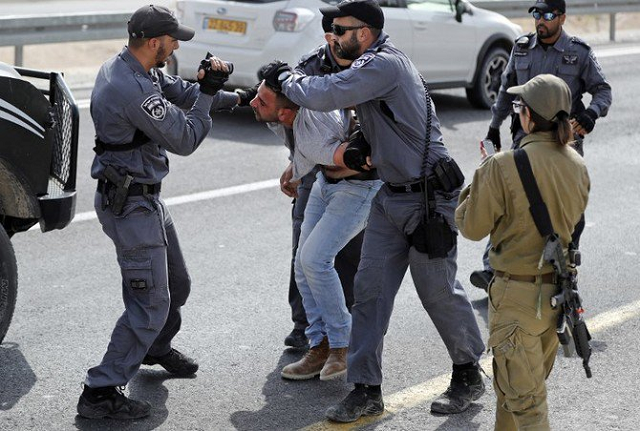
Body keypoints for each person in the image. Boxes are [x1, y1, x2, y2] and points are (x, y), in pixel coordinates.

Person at [261, 0, 485, 421]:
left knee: (436, 292)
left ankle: (468, 371)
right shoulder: (372, 62)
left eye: (341, 29)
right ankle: (365, 388)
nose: (333, 34)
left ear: (363, 32)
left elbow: (327, 92)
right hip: (389, 194)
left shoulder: (382, 64)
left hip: (426, 197)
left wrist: (285, 78)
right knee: (369, 292)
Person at [77, 5, 240, 420]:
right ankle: (100, 391)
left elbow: (182, 92)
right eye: (173, 40)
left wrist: (240, 96)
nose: (177, 45)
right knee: (150, 303)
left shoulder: (134, 66)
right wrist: (207, 95)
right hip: (131, 206)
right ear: (154, 42)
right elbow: (185, 137)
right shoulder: (131, 89)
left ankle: (154, 347)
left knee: (177, 286)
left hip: (144, 200)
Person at [456, 74, 590, 430]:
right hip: (554, 298)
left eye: (519, 107)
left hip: (516, 299)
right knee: (512, 395)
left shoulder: (502, 165)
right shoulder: (577, 165)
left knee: (527, 406)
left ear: (528, 116)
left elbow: (470, 227)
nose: (517, 113)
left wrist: (481, 174)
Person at [470, 0, 611, 291]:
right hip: (526, 136)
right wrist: (494, 127)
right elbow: (507, 89)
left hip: (564, 140)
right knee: (511, 196)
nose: (540, 21)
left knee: (567, 204)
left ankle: (567, 267)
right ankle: (492, 267)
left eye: (548, 15)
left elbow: (602, 91)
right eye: (536, 14)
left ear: (561, 18)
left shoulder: (578, 52)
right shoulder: (521, 47)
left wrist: (590, 114)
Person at [250, 75, 382, 380]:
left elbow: (357, 159)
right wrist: (298, 166)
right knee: (302, 265)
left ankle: (342, 345)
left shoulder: (315, 131)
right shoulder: (305, 106)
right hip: (325, 184)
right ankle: (320, 344)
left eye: (261, 100)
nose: (254, 103)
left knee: (315, 261)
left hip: (357, 191)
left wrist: (302, 167)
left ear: (284, 113)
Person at [281, 16, 365, 350]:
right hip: (315, 168)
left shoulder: (371, 63)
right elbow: (292, 116)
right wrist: (295, 163)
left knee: (350, 249)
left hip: (359, 173)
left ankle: (346, 326)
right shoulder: (310, 67)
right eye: (334, 32)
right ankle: (305, 326)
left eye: (343, 31)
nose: (337, 38)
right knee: (304, 248)